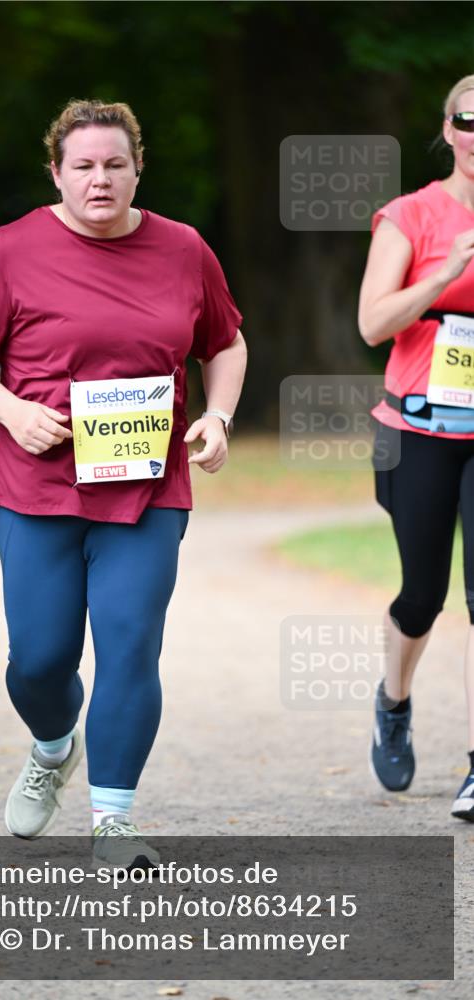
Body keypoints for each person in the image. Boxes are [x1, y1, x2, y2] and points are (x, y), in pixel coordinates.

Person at [0, 99, 247, 866]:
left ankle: (113, 822)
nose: (99, 179)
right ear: (56, 173)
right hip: (39, 485)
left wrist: (220, 416)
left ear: (138, 169)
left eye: (115, 164)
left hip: (146, 487)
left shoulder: (183, 249)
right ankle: (51, 746)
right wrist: (10, 411)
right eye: (83, 166)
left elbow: (226, 343)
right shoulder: (9, 250)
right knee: (38, 661)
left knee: (130, 645)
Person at [358, 75, 474, 821]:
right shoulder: (409, 216)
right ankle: (393, 701)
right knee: (423, 596)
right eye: (470, 121)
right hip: (419, 430)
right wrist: (446, 272)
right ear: (448, 127)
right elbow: (372, 325)